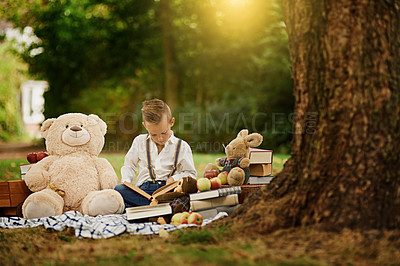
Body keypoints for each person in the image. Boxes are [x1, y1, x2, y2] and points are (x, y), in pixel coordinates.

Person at [115, 99, 197, 209]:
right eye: (153, 134)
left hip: (168, 191)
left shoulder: (182, 146)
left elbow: (191, 174)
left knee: (186, 194)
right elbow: (130, 165)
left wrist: (175, 178)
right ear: (145, 126)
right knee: (119, 189)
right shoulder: (139, 141)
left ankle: (145, 208)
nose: (160, 138)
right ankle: (163, 208)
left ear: (171, 122)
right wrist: (127, 181)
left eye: (164, 132)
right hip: (144, 191)